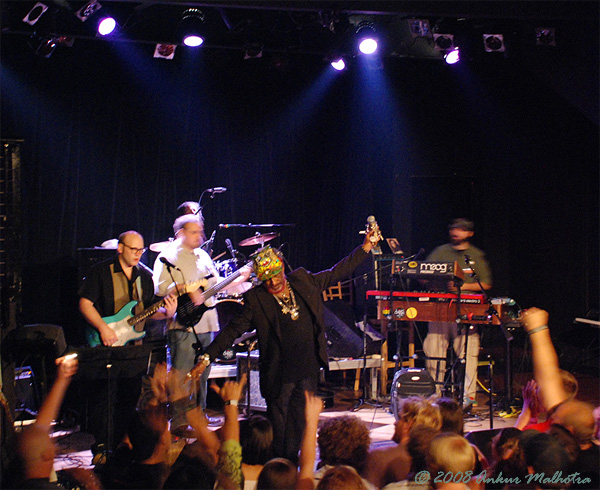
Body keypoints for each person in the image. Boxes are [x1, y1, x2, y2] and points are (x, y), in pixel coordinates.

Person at [191, 229, 379, 462]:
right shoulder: (257, 299)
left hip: (307, 369)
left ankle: (290, 465)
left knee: (299, 425)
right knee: (278, 429)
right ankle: (279, 468)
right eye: (267, 279)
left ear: (282, 269)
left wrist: (365, 249)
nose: (273, 282)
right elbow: (232, 331)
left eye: (276, 276)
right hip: (279, 374)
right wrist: (206, 357)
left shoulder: (303, 280)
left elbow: (336, 273)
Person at [79, 230, 177, 451]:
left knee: (130, 397)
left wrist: (167, 313)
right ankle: (102, 448)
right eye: (133, 249)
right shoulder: (101, 272)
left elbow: (147, 311)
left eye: (141, 250)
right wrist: (103, 328)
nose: (138, 254)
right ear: (120, 248)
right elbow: (85, 304)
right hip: (104, 345)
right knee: (104, 400)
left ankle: (123, 447)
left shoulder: (144, 276)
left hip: (133, 350)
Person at [153, 214, 250, 431]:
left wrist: (238, 279)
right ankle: (179, 422)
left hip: (208, 323)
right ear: (181, 233)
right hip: (183, 325)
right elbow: (160, 290)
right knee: (182, 373)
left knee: (202, 373)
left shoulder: (203, 255)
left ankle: (200, 417)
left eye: (200, 231)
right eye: (194, 231)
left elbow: (214, 285)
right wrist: (187, 288)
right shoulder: (167, 258)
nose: (200, 235)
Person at [422, 218, 492, 406]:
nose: (456, 232)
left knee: (468, 352)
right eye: (453, 228)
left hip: (466, 308)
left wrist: (462, 286)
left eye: (461, 229)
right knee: (433, 348)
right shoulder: (440, 251)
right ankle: (433, 396)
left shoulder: (475, 255)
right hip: (439, 308)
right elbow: (423, 275)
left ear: (470, 233)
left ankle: (468, 398)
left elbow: (486, 283)